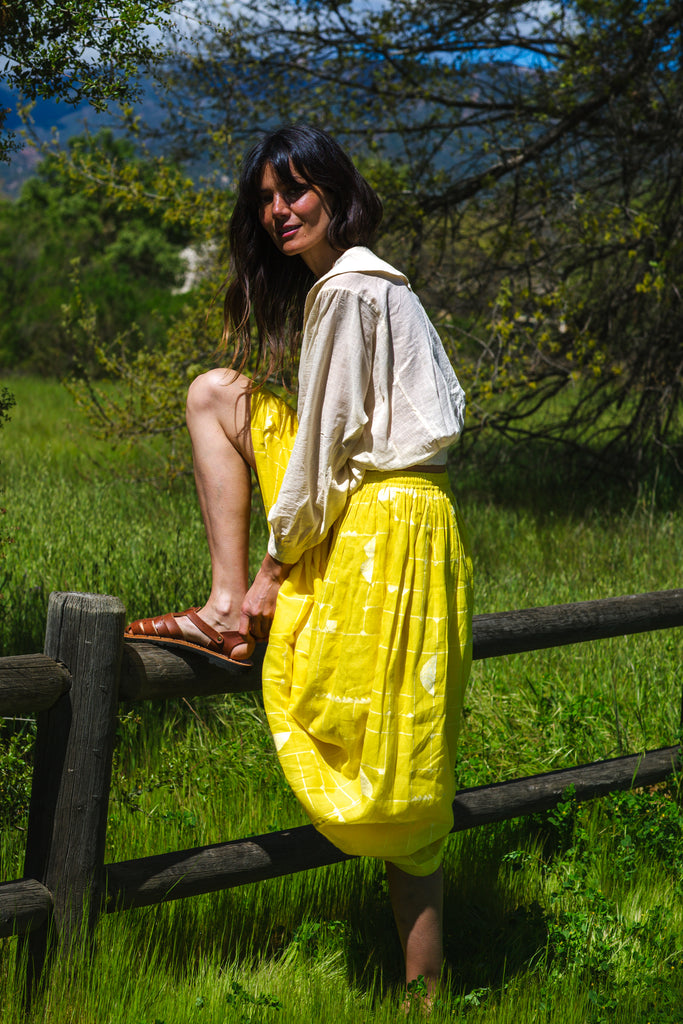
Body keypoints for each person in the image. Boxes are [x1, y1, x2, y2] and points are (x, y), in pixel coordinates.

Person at [125, 124, 473, 1001]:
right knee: (403, 760)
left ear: (336, 192)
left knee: (212, 392)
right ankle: (427, 994)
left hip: (374, 521)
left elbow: (321, 454)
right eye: (266, 201)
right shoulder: (389, 287)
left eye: (295, 191)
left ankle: (219, 603)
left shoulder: (348, 289)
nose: (279, 211)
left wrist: (268, 578)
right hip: (424, 527)